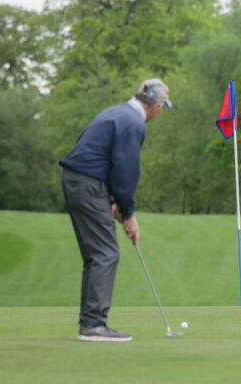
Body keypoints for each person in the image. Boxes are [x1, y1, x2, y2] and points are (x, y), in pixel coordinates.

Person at [60, 78, 172, 341]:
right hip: (87, 184)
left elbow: (103, 158)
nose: (160, 112)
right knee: (106, 253)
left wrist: (112, 201)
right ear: (155, 105)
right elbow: (125, 170)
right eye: (162, 107)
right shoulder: (134, 123)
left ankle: (90, 321)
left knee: (96, 254)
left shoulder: (115, 113)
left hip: (77, 181)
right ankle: (94, 325)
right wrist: (128, 213)